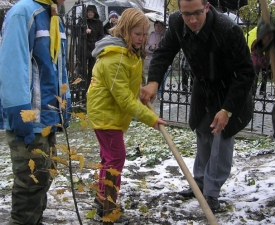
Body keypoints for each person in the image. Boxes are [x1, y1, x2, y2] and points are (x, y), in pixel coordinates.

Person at [140, 0, 255, 211]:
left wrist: (227, 109)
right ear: (179, 12)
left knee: (220, 139)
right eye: (186, 14)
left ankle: (211, 193)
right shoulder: (176, 22)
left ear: (207, 7)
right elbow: (164, 52)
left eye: (197, 13)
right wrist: (154, 81)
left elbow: (246, 73)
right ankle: (199, 183)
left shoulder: (227, 29)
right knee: (203, 133)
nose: (192, 20)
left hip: (230, 91)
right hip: (203, 89)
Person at [87, 8, 166, 222]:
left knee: (110, 158)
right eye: (137, 34)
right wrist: (151, 119)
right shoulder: (116, 58)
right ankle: (109, 209)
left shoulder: (129, 52)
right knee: (115, 158)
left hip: (112, 112)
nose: (141, 39)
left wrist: (139, 91)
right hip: (106, 114)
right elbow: (123, 98)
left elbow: (125, 86)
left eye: (144, 34)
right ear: (125, 30)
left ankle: (102, 198)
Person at [0, 0, 71, 224]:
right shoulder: (23, 12)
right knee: (30, 183)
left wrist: (64, 103)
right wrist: (21, 115)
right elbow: (13, 66)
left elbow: (58, 67)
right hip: (30, 119)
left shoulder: (52, 15)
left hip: (48, 117)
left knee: (44, 176)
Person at [85, 5, 104, 89]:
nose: (90, 13)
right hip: (84, 47)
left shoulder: (99, 23)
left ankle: (91, 86)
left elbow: (101, 35)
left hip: (94, 47)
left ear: (94, 13)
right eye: (88, 12)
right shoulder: (83, 22)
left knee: (92, 68)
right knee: (82, 68)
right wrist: (84, 32)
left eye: (92, 12)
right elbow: (76, 34)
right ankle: (83, 86)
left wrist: (97, 44)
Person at [143, 20, 165, 87]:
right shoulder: (150, 36)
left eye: (160, 26)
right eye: (156, 25)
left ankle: (161, 93)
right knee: (152, 78)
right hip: (151, 60)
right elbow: (145, 47)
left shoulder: (165, 36)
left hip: (162, 60)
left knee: (162, 78)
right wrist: (151, 48)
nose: (158, 27)